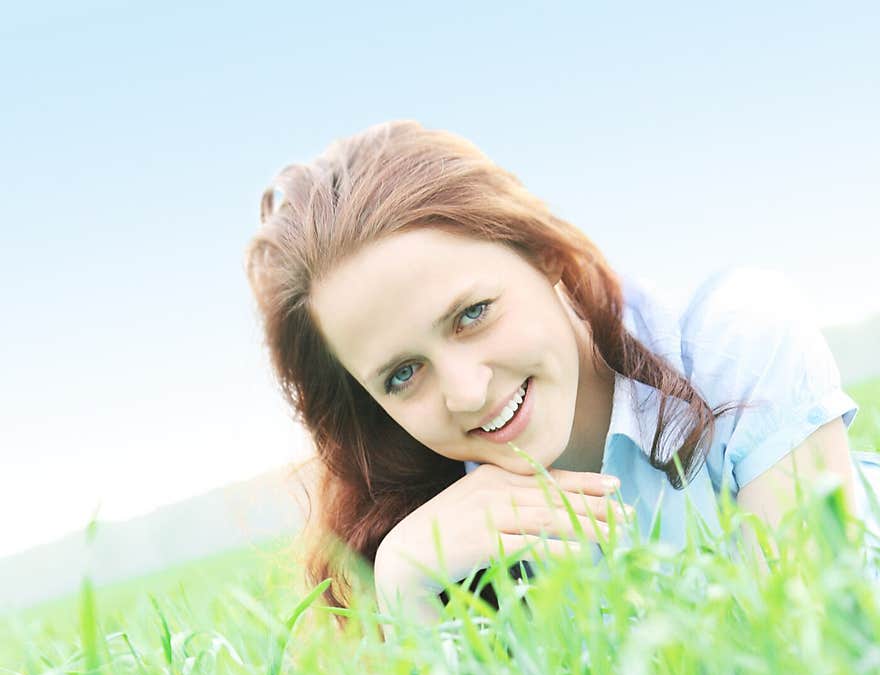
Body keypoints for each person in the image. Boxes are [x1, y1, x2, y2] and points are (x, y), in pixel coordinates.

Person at [245, 120, 880, 630]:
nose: (467, 391)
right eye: (404, 374)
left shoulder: (734, 346)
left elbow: (819, 655)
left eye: (472, 315)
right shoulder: (432, 525)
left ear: (545, 255)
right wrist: (405, 583)